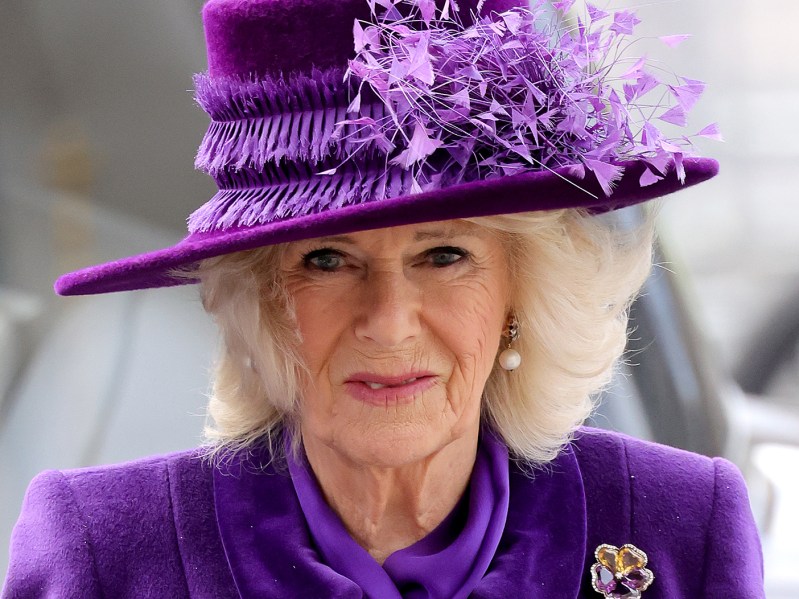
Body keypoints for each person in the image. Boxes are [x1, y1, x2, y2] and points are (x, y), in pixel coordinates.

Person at [3, 0, 763, 597]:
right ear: (259, 299)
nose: (390, 322)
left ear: (522, 291)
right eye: (328, 261)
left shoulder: (677, 531)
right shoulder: (103, 553)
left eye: (444, 256)